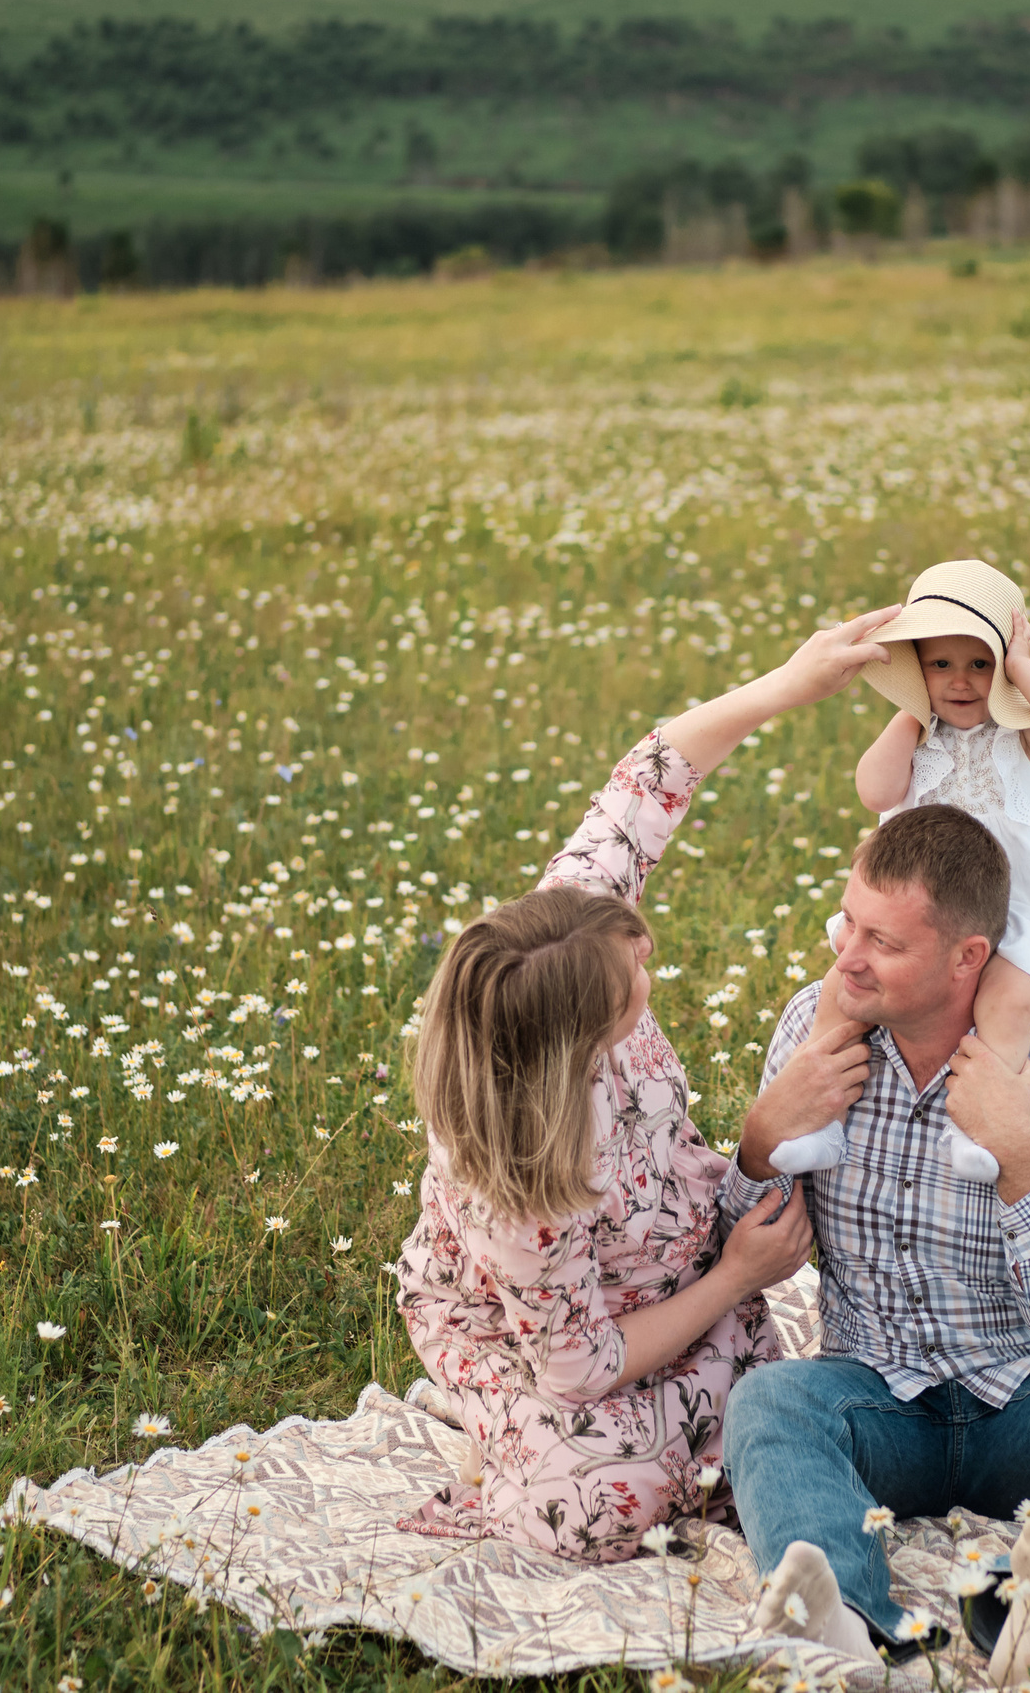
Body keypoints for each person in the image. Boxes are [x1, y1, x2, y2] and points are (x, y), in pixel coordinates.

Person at [390, 605, 898, 1562]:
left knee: (769, 1422)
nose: (648, 966)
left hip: (670, 1271)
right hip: (537, 1334)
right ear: (580, 1042)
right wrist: (737, 1277)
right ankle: (529, 1423)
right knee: (594, 1506)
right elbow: (580, 1366)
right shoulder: (519, 1177)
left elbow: (651, 776)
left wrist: (789, 684)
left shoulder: (563, 926)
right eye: (637, 976)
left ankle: (707, 1389)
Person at [720, 806, 1030, 1681]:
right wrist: (758, 1143)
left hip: (1028, 1405)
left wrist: (1018, 1160)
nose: (847, 957)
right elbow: (737, 1252)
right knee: (767, 1401)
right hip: (876, 1399)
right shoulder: (816, 1031)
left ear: (967, 956)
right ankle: (846, 1615)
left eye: (884, 942)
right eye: (849, 923)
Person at [769, 558, 1030, 1185]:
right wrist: (911, 712)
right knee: (840, 992)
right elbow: (874, 791)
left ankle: (979, 1126)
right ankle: (820, 1120)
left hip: (1015, 919)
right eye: (939, 664)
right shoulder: (918, 739)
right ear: (916, 669)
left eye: (980, 664)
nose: (961, 681)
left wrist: (1022, 665)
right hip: (915, 921)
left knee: (1006, 1003)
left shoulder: (1024, 736)